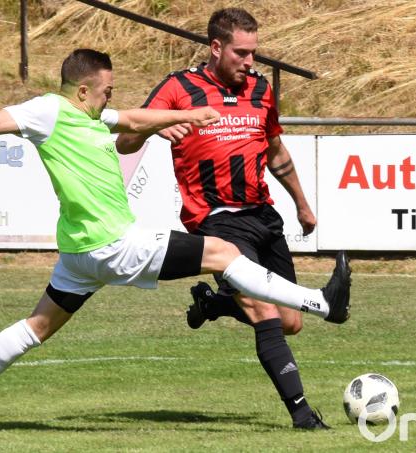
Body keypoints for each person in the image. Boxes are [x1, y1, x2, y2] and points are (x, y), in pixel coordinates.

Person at [0, 48, 350, 430]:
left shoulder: (91, 117)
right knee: (224, 253)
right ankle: (320, 303)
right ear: (83, 88)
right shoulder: (48, 111)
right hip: (115, 246)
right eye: (106, 87)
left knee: (37, 327)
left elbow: (130, 116)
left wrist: (183, 116)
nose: (112, 94)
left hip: (78, 257)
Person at [115, 8, 343, 429]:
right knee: (263, 311)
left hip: (263, 216)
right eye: (241, 52)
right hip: (216, 222)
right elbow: (126, 140)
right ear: (216, 47)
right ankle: (303, 416)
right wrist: (155, 127)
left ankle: (214, 303)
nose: (250, 61)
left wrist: (302, 204)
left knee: (291, 320)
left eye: (253, 52)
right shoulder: (178, 87)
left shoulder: (260, 90)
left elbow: (275, 150)